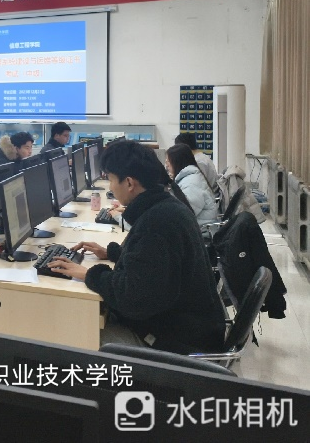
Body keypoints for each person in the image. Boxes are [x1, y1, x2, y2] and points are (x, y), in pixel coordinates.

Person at [48, 140, 225, 353]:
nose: (110, 188)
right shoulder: (166, 206)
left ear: (129, 183)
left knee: (76, 335)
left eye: (111, 179)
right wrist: (112, 253)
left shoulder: (156, 224)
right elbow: (153, 265)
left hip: (175, 341)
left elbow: (133, 299)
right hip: (187, 325)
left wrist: (89, 274)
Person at [166, 144, 218, 227]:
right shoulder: (188, 178)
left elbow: (185, 213)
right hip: (196, 226)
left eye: (168, 162)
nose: (167, 166)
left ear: (177, 162)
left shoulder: (191, 183)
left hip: (200, 230)